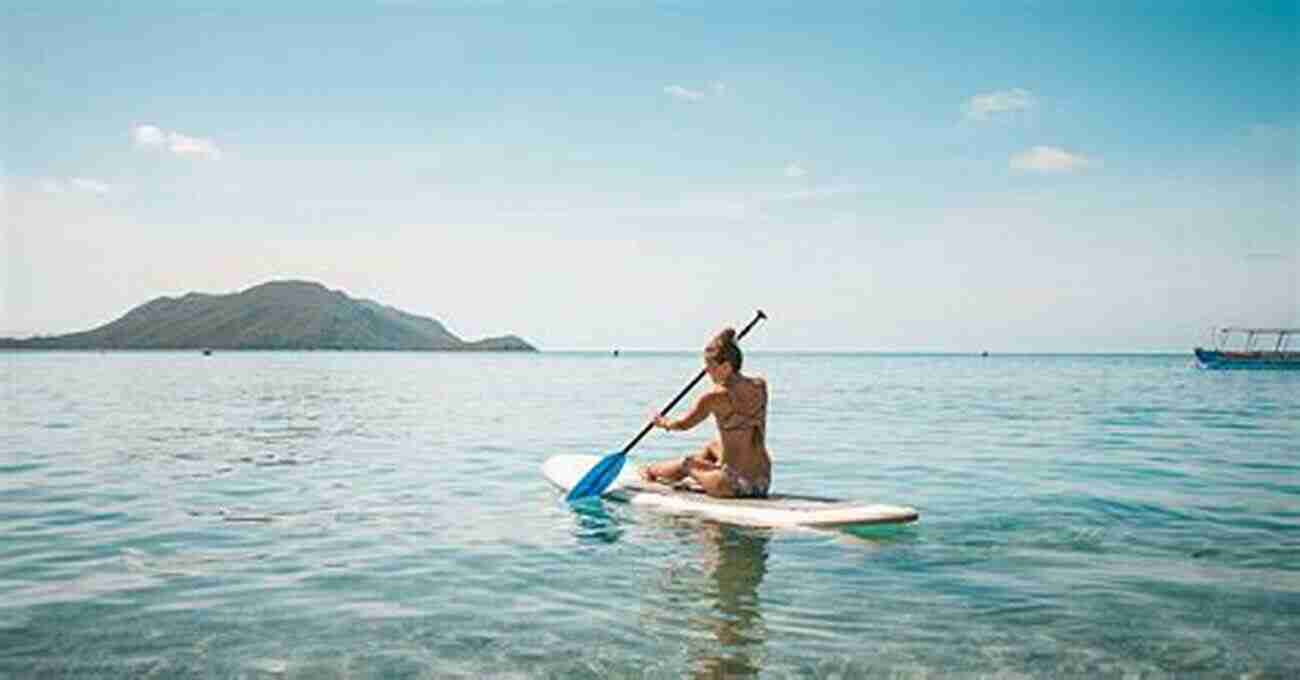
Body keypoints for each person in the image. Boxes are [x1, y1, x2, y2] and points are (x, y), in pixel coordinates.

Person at [640, 328, 772, 498]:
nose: (706, 372)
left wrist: (663, 422)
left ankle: (650, 471)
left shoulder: (714, 397)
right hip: (762, 481)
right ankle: (698, 479)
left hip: (733, 485)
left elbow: (683, 425)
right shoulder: (760, 386)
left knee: (687, 463)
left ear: (726, 366)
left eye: (710, 366)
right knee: (712, 446)